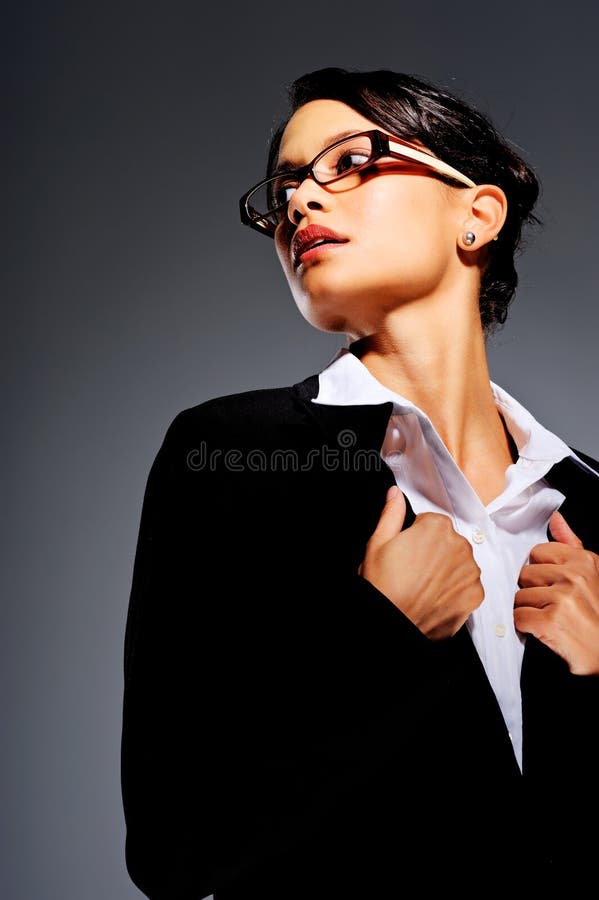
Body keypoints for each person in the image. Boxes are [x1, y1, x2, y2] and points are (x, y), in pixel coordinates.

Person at [121, 67, 599, 899]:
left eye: (349, 161)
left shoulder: (591, 503)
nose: (300, 202)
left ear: (476, 214)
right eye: (284, 188)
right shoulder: (229, 455)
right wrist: (381, 633)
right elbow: (173, 851)